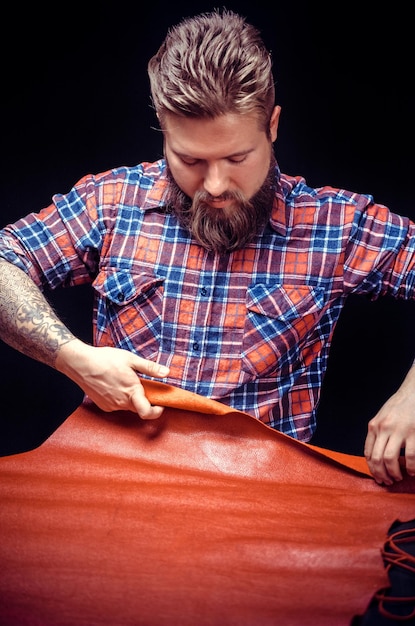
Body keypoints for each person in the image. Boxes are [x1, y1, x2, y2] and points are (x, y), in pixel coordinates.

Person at [0, 9, 414, 487]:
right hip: (115, 487)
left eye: (237, 158)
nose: (215, 185)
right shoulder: (111, 203)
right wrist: (69, 354)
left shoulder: (335, 225)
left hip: (262, 500)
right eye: (190, 159)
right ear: (163, 128)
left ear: (272, 127)